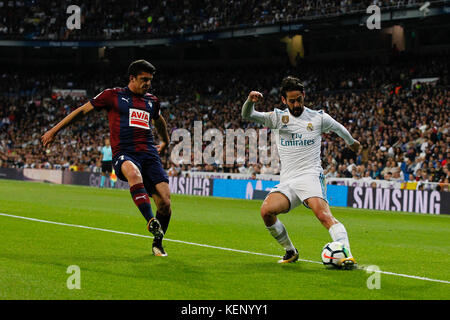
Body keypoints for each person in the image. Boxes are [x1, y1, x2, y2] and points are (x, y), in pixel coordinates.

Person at [41, 60, 172, 257]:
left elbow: (159, 120)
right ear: (132, 78)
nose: (148, 83)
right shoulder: (112, 95)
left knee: (166, 203)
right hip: (124, 153)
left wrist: (165, 141)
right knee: (133, 174)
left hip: (149, 155)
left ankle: (157, 243)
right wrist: (54, 130)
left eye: (150, 80)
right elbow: (82, 111)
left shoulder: (152, 101)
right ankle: (150, 220)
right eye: (144, 79)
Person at [241, 76, 360, 269]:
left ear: (304, 96)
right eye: (292, 101)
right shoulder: (277, 118)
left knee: (323, 215)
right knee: (266, 211)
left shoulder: (318, 118)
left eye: (299, 99)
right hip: (288, 180)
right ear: (283, 100)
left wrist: (352, 143)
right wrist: (249, 101)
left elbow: (339, 128)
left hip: (310, 175)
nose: (296, 104)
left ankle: (346, 254)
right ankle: (290, 250)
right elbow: (248, 115)